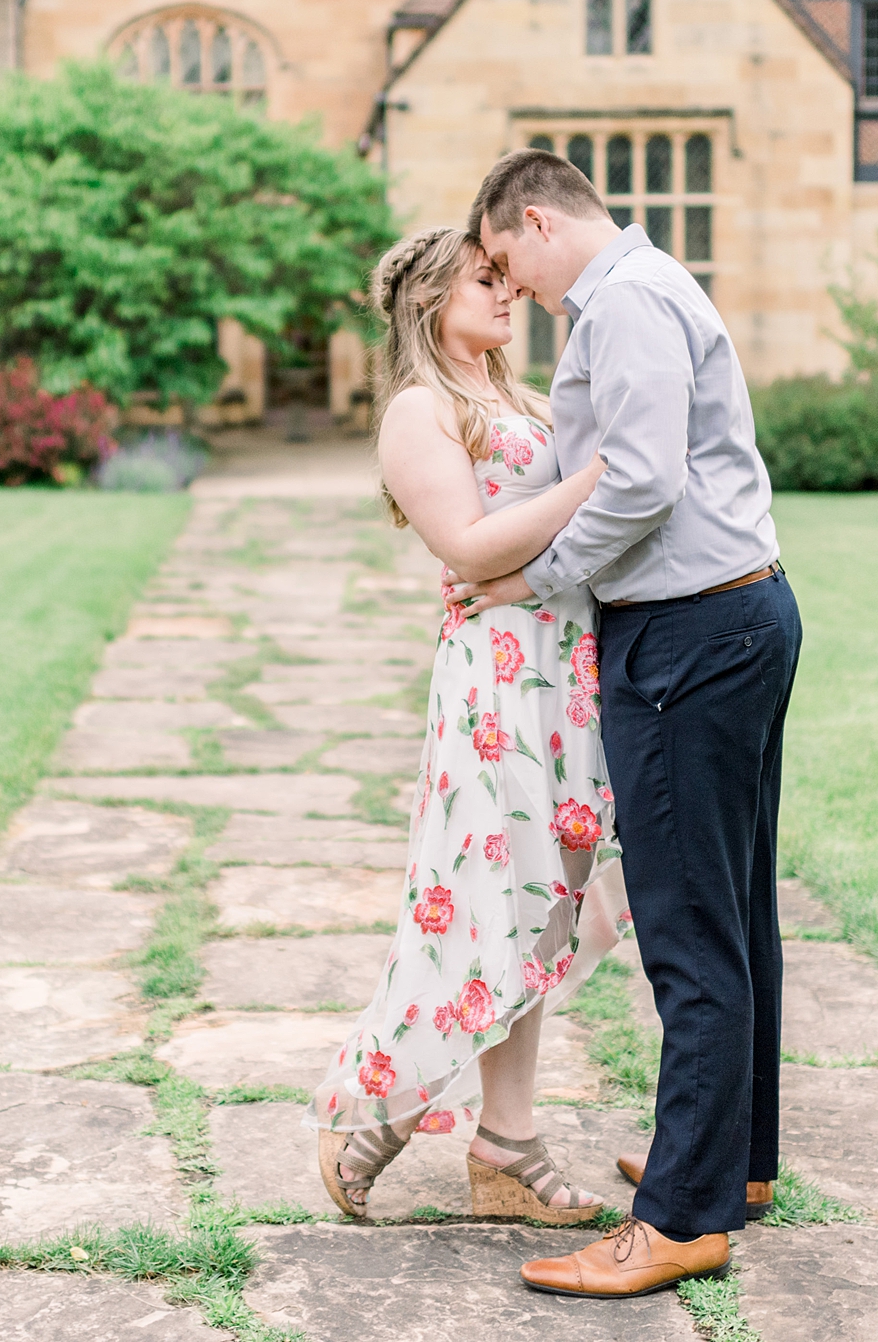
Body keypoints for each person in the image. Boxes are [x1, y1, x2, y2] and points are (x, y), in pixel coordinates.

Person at [451, 149, 801, 1297]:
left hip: (693, 635)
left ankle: (684, 1218)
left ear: (539, 223)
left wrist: (539, 577)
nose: (520, 293)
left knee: (689, 926)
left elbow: (640, 483)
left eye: (510, 264)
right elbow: (592, 467)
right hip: (729, 618)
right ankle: (733, 1161)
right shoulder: (638, 293)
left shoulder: (627, 304)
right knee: (734, 907)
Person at [311, 226, 629, 1224]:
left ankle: (503, 1141)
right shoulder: (420, 409)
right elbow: (466, 542)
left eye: (506, 276)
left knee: (547, 909)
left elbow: (532, 544)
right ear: (426, 301)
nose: (507, 293)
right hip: (499, 685)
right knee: (485, 893)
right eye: (484, 280)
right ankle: (385, 1104)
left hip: (564, 675)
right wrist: (596, 480)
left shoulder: (520, 401)